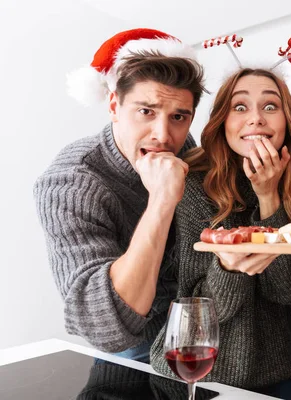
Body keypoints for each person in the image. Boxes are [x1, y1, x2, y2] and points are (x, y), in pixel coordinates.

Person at [33, 28, 205, 362]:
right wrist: (161, 201)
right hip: (132, 347)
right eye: (146, 111)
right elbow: (103, 329)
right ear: (114, 104)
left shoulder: (180, 145)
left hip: (193, 332)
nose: (162, 135)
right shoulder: (70, 183)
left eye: (178, 117)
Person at [150, 68, 291, 400]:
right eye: (240, 107)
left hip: (274, 375)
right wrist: (229, 267)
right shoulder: (193, 186)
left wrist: (269, 197)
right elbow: (195, 313)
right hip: (197, 375)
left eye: (270, 106)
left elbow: (287, 289)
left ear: (287, 121)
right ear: (222, 121)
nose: (256, 119)